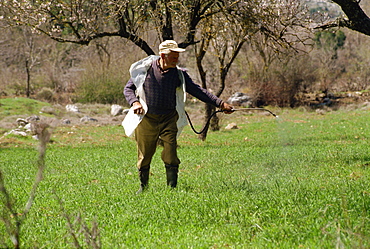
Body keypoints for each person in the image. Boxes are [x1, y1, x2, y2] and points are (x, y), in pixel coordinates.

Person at [123, 40, 233, 194]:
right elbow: (128, 89)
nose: (176, 58)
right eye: (172, 55)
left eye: (177, 55)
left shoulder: (179, 74)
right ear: (162, 55)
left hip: (169, 118)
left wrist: (220, 103)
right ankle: (144, 187)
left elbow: (197, 90)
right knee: (145, 154)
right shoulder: (145, 69)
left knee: (171, 152)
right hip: (147, 119)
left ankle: (172, 189)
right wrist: (135, 102)